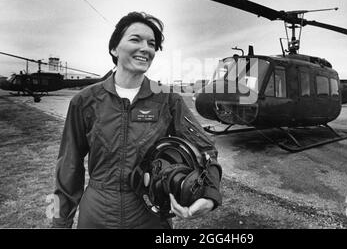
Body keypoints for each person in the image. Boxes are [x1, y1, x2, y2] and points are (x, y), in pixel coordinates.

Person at [52, 12, 222, 228]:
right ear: (114, 48)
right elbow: (68, 166)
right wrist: (60, 222)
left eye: (152, 44)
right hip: (96, 214)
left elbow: (206, 149)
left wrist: (209, 195)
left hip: (149, 214)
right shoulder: (84, 101)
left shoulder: (168, 100)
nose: (146, 48)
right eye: (135, 39)